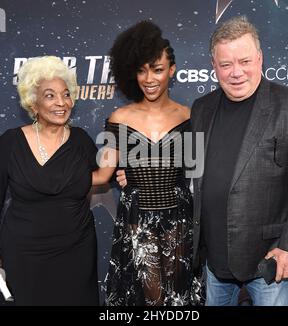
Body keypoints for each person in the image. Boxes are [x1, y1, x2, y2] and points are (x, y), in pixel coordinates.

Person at [92, 21, 204, 306]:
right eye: (141, 70)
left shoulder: (190, 116)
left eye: (156, 69)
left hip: (179, 218)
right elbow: (102, 173)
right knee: (150, 297)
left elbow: (198, 173)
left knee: (179, 298)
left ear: (172, 70)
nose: (149, 78)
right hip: (137, 219)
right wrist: (48, 176)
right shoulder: (118, 119)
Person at [191, 16, 288, 306]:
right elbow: (192, 168)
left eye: (245, 61)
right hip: (214, 263)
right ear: (214, 66)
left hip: (270, 263)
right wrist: (138, 173)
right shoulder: (201, 109)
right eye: (226, 64)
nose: (236, 72)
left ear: (260, 59)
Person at [0, 56, 99, 305]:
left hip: (76, 254)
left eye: (65, 94)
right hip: (24, 256)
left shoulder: (81, 141)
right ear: (33, 104)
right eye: (50, 95)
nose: (61, 103)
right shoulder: (10, 142)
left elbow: (101, 176)